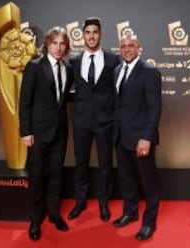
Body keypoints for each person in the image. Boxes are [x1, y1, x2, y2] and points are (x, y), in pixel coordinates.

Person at [19, 26, 72, 241]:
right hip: (38, 133)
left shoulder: (67, 68)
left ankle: (53, 214)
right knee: (38, 176)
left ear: (66, 47)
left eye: (62, 44)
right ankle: (35, 219)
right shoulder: (34, 67)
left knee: (56, 175)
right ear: (47, 45)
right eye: (55, 43)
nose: (58, 48)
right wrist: (26, 131)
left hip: (60, 132)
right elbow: (25, 103)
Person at [67, 17, 120, 222]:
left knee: (106, 165)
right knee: (81, 164)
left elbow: (118, 91)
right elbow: (65, 90)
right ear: (82, 35)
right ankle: (80, 202)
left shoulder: (113, 60)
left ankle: (103, 203)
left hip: (105, 122)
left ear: (100, 34)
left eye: (95, 32)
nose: (91, 36)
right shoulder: (74, 61)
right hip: (81, 122)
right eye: (88, 32)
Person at [112, 34, 162, 241]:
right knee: (127, 180)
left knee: (148, 183)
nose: (126, 49)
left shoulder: (149, 72)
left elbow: (154, 108)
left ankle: (149, 222)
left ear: (138, 48)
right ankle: (130, 212)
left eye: (131, 45)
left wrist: (146, 137)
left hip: (141, 139)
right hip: (121, 137)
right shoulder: (116, 71)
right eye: (123, 46)